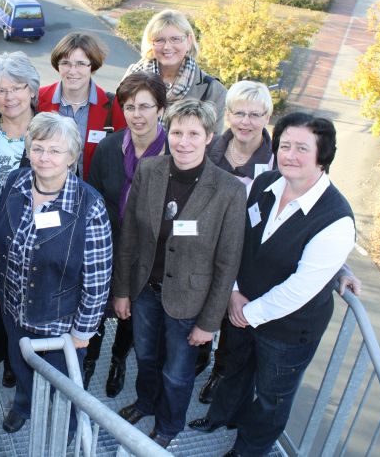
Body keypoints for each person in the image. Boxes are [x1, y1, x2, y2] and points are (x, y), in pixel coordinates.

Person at [189, 113, 357, 457]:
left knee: (271, 397)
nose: (290, 155)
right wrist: (233, 291)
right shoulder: (263, 184)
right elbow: (235, 240)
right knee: (233, 370)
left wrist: (249, 312)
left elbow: (301, 287)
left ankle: (248, 450)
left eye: (302, 148)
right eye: (284, 146)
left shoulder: (337, 219)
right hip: (241, 307)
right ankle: (222, 417)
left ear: (322, 156)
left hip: (287, 330)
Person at [112, 98, 246, 448]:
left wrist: (210, 322)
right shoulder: (149, 170)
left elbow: (227, 261)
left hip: (191, 301)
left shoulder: (230, 189)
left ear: (209, 137)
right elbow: (130, 236)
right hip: (144, 290)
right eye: (176, 132)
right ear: (166, 133)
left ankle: (169, 425)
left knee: (177, 373)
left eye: (193, 133)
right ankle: (145, 402)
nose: (183, 141)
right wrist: (123, 290)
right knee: (145, 356)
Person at [0, 112, 113, 434]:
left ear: (72, 157)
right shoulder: (16, 182)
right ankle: (24, 405)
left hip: (59, 323)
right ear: (28, 149)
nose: (45, 157)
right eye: (38, 147)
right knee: (21, 365)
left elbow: (97, 281)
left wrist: (82, 332)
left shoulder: (90, 206)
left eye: (56, 151)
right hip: (14, 310)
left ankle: (70, 428)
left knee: (66, 384)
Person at [86, 71, 168, 398]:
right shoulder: (108, 148)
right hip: (108, 248)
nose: (137, 115)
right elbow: (93, 199)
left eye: (145, 107)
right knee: (93, 308)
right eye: (130, 107)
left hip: (149, 257)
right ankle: (89, 356)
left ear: (161, 109)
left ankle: (118, 360)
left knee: (130, 315)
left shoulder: (174, 155)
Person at [197, 80, 274, 403]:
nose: (246, 122)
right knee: (198, 308)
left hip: (247, 256)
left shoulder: (277, 163)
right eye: (239, 113)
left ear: (267, 117)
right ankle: (196, 360)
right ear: (226, 114)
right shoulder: (208, 149)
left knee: (234, 321)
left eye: (255, 115)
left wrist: (340, 269)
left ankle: (220, 372)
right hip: (203, 246)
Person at [0, 51, 40, 388]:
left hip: (31, 238)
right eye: (0, 90)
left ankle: (16, 360)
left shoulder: (49, 128)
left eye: (16, 87)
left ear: (31, 90)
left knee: (21, 303)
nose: (8, 97)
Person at [37, 32, 126, 180]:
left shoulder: (112, 106)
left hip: (94, 194)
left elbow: (122, 156)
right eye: (65, 63)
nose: (72, 71)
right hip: (47, 191)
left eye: (81, 64)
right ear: (57, 65)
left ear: (93, 66)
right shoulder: (38, 100)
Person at [122, 9, 227, 134]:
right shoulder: (132, 76)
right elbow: (119, 125)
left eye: (175, 39)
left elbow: (212, 144)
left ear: (189, 41)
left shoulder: (213, 90)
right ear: (151, 43)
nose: (167, 47)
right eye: (159, 40)